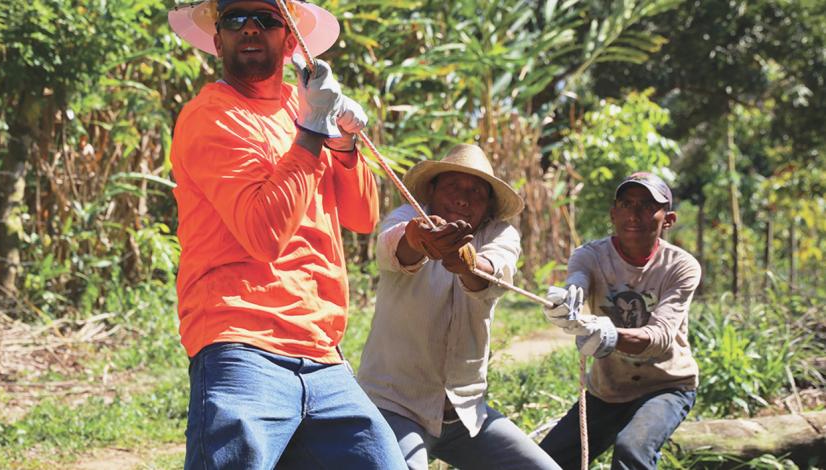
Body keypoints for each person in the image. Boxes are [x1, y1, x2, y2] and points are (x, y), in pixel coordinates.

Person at [168, 1, 406, 468]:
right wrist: (314, 128)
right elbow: (264, 234)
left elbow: (361, 216)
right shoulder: (211, 116)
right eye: (235, 20)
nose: (250, 29)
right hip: (240, 342)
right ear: (218, 41)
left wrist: (342, 140)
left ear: (292, 40)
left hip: (322, 351)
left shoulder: (301, 110)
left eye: (268, 19)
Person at [357, 144, 562, 469]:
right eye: (453, 186)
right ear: (433, 189)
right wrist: (419, 238)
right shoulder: (407, 218)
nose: (464, 198)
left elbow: (493, 274)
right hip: (395, 403)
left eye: (476, 192)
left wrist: (466, 262)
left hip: (465, 413)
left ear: (489, 206)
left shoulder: (500, 234)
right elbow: (393, 246)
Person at [538, 172, 701, 470]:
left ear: (669, 219)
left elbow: (660, 337)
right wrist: (569, 298)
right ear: (614, 213)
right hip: (608, 390)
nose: (634, 214)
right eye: (626, 204)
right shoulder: (590, 256)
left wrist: (609, 334)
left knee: (631, 450)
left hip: (666, 385)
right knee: (543, 461)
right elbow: (578, 279)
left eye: (647, 205)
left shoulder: (681, 267)